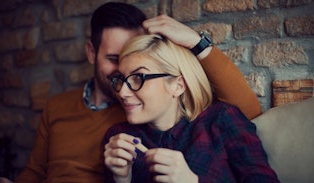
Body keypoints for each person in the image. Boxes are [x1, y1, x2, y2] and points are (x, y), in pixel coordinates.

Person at [14, 2, 261, 183]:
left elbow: (246, 114)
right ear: (91, 53)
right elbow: (35, 172)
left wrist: (197, 42)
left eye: (137, 72)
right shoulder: (62, 108)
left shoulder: (149, 115)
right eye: (115, 59)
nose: (123, 88)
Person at [103, 34, 279, 183]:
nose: (122, 92)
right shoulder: (118, 140)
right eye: (120, 79)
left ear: (178, 85)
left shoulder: (221, 120)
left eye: (137, 78)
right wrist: (122, 179)